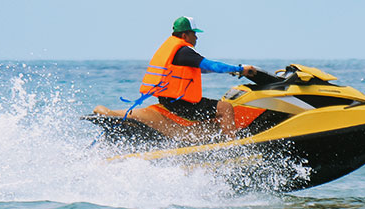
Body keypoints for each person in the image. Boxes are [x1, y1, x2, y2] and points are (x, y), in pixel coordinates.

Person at [94, 16, 257, 139]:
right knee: (225, 108)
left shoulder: (172, 49)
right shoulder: (184, 51)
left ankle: (208, 139)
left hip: (169, 101)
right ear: (185, 35)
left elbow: (202, 69)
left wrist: (232, 72)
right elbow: (211, 65)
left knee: (213, 110)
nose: (197, 37)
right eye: (194, 33)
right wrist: (240, 69)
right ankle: (231, 147)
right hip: (182, 104)